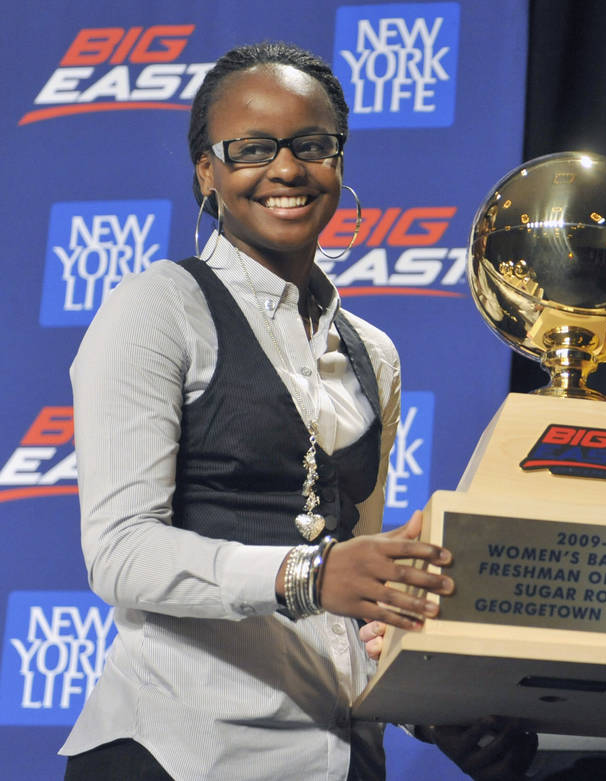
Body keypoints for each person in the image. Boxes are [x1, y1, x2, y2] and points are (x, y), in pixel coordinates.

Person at [59, 42, 533, 781]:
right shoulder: (157, 308)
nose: (286, 169)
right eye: (252, 148)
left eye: (312, 145)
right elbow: (120, 553)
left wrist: (434, 703)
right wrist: (307, 574)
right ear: (206, 171)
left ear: (338, 163)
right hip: (182, 751)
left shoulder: (374, 352)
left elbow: (359, 593)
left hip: (339, 755)